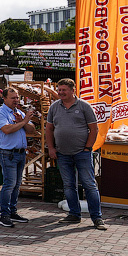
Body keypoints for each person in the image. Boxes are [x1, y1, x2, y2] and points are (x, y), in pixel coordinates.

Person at [46, 78, 106, 230]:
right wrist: (51, 148)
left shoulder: (84, 106)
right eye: (59, 90)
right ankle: (74, 214)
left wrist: (87, 148)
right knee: (68, 185)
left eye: (64, 90)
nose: (61, 93)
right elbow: (49, 129)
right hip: (62, 154)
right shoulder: (54, 107)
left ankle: (97, 218)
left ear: (73, 90)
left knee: (89, 185)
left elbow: (94, 129)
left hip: (82, 153)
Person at [0, 87, 36, 227]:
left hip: (20, 153)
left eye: (17, 98)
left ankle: (12, 211)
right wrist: (23, 122)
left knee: (17, 185)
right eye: (13, 98)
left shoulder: (19, 112)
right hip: (7, 153)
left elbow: (32, 130)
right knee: (9, 184)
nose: (16, 101)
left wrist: (24, 121)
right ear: (4, 98)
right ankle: (4, 215)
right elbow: (6, 130)